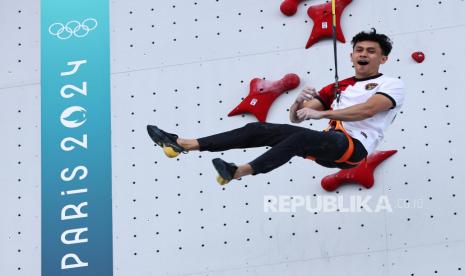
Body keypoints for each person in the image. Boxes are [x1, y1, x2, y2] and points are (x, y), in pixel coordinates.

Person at [147, 29, 405, 185]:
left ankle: (237, 172)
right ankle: (184, 143)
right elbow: (298, 119)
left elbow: (367, 110)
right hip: (326, 144)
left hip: (353, 149)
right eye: (359, 49)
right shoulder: (337, 87)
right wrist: (297, 103)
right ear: (350, 56)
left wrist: (322, 113)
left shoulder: (391, 84)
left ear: (383, 58)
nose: (363, 54)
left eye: (371, 51)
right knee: (260, 129)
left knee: (301, 138)